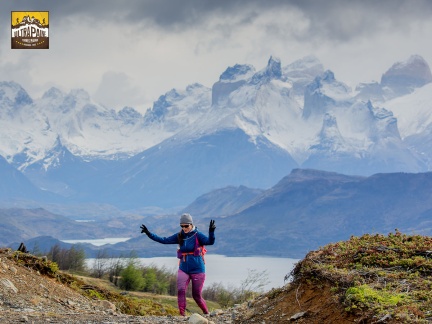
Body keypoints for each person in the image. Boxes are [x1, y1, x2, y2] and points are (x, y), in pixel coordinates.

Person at [140, 213, 216, 316]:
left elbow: (210, 241)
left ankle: (206, 313)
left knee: (196, 295)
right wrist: (149, 234)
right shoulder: (179, 236)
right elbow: (164, 240)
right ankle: (182, 315)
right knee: (180, 290)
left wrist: (211, 232)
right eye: (182, 226)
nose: (184, 228)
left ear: (191, 224)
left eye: (186, 226)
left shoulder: (198, 235)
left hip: (198, 269)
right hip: (183, 268)